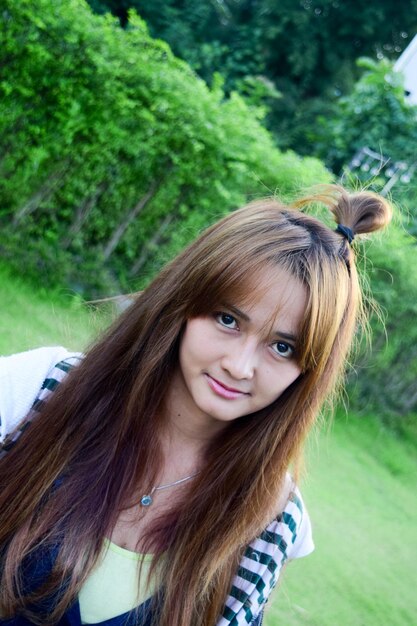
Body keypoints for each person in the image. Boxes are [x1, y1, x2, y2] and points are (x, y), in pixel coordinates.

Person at [0, 185, 392, 626]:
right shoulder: (40, 391)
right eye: (228, 320)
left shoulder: (272, 523)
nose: (240, 366)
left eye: (282, 347)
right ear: (185, 302)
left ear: (309, 369)